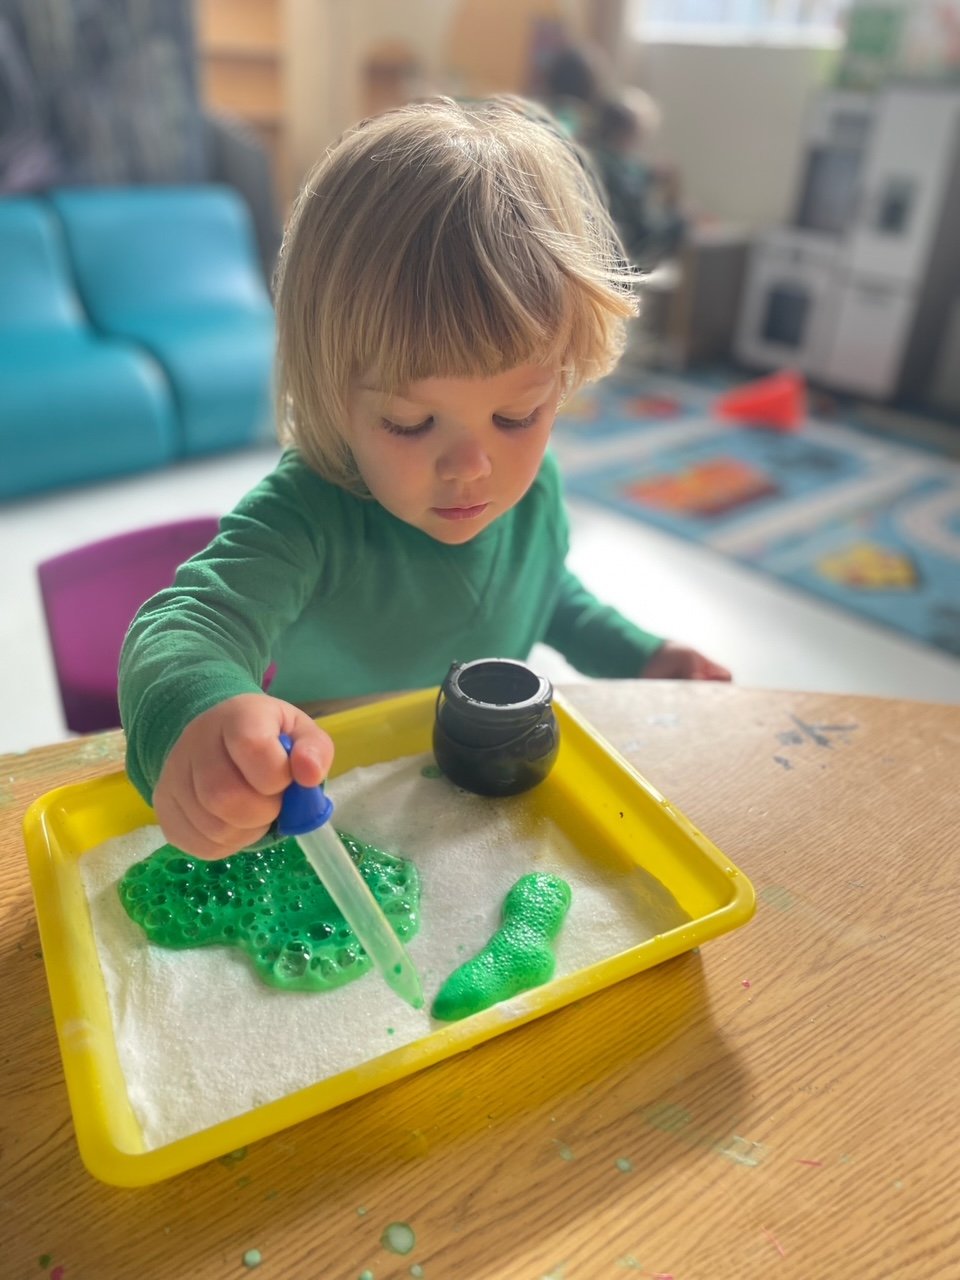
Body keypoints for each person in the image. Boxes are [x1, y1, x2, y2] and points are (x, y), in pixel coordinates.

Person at [118, 95, 730, 863]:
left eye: (518, 416)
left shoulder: (529, 491)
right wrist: (204, 714)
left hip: (466, 815)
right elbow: (182, 629)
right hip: (325, 825)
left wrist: (640, 655)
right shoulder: (307, 517)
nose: (474, 466)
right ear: (332, 391)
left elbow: (545, 592)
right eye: (411, 423)